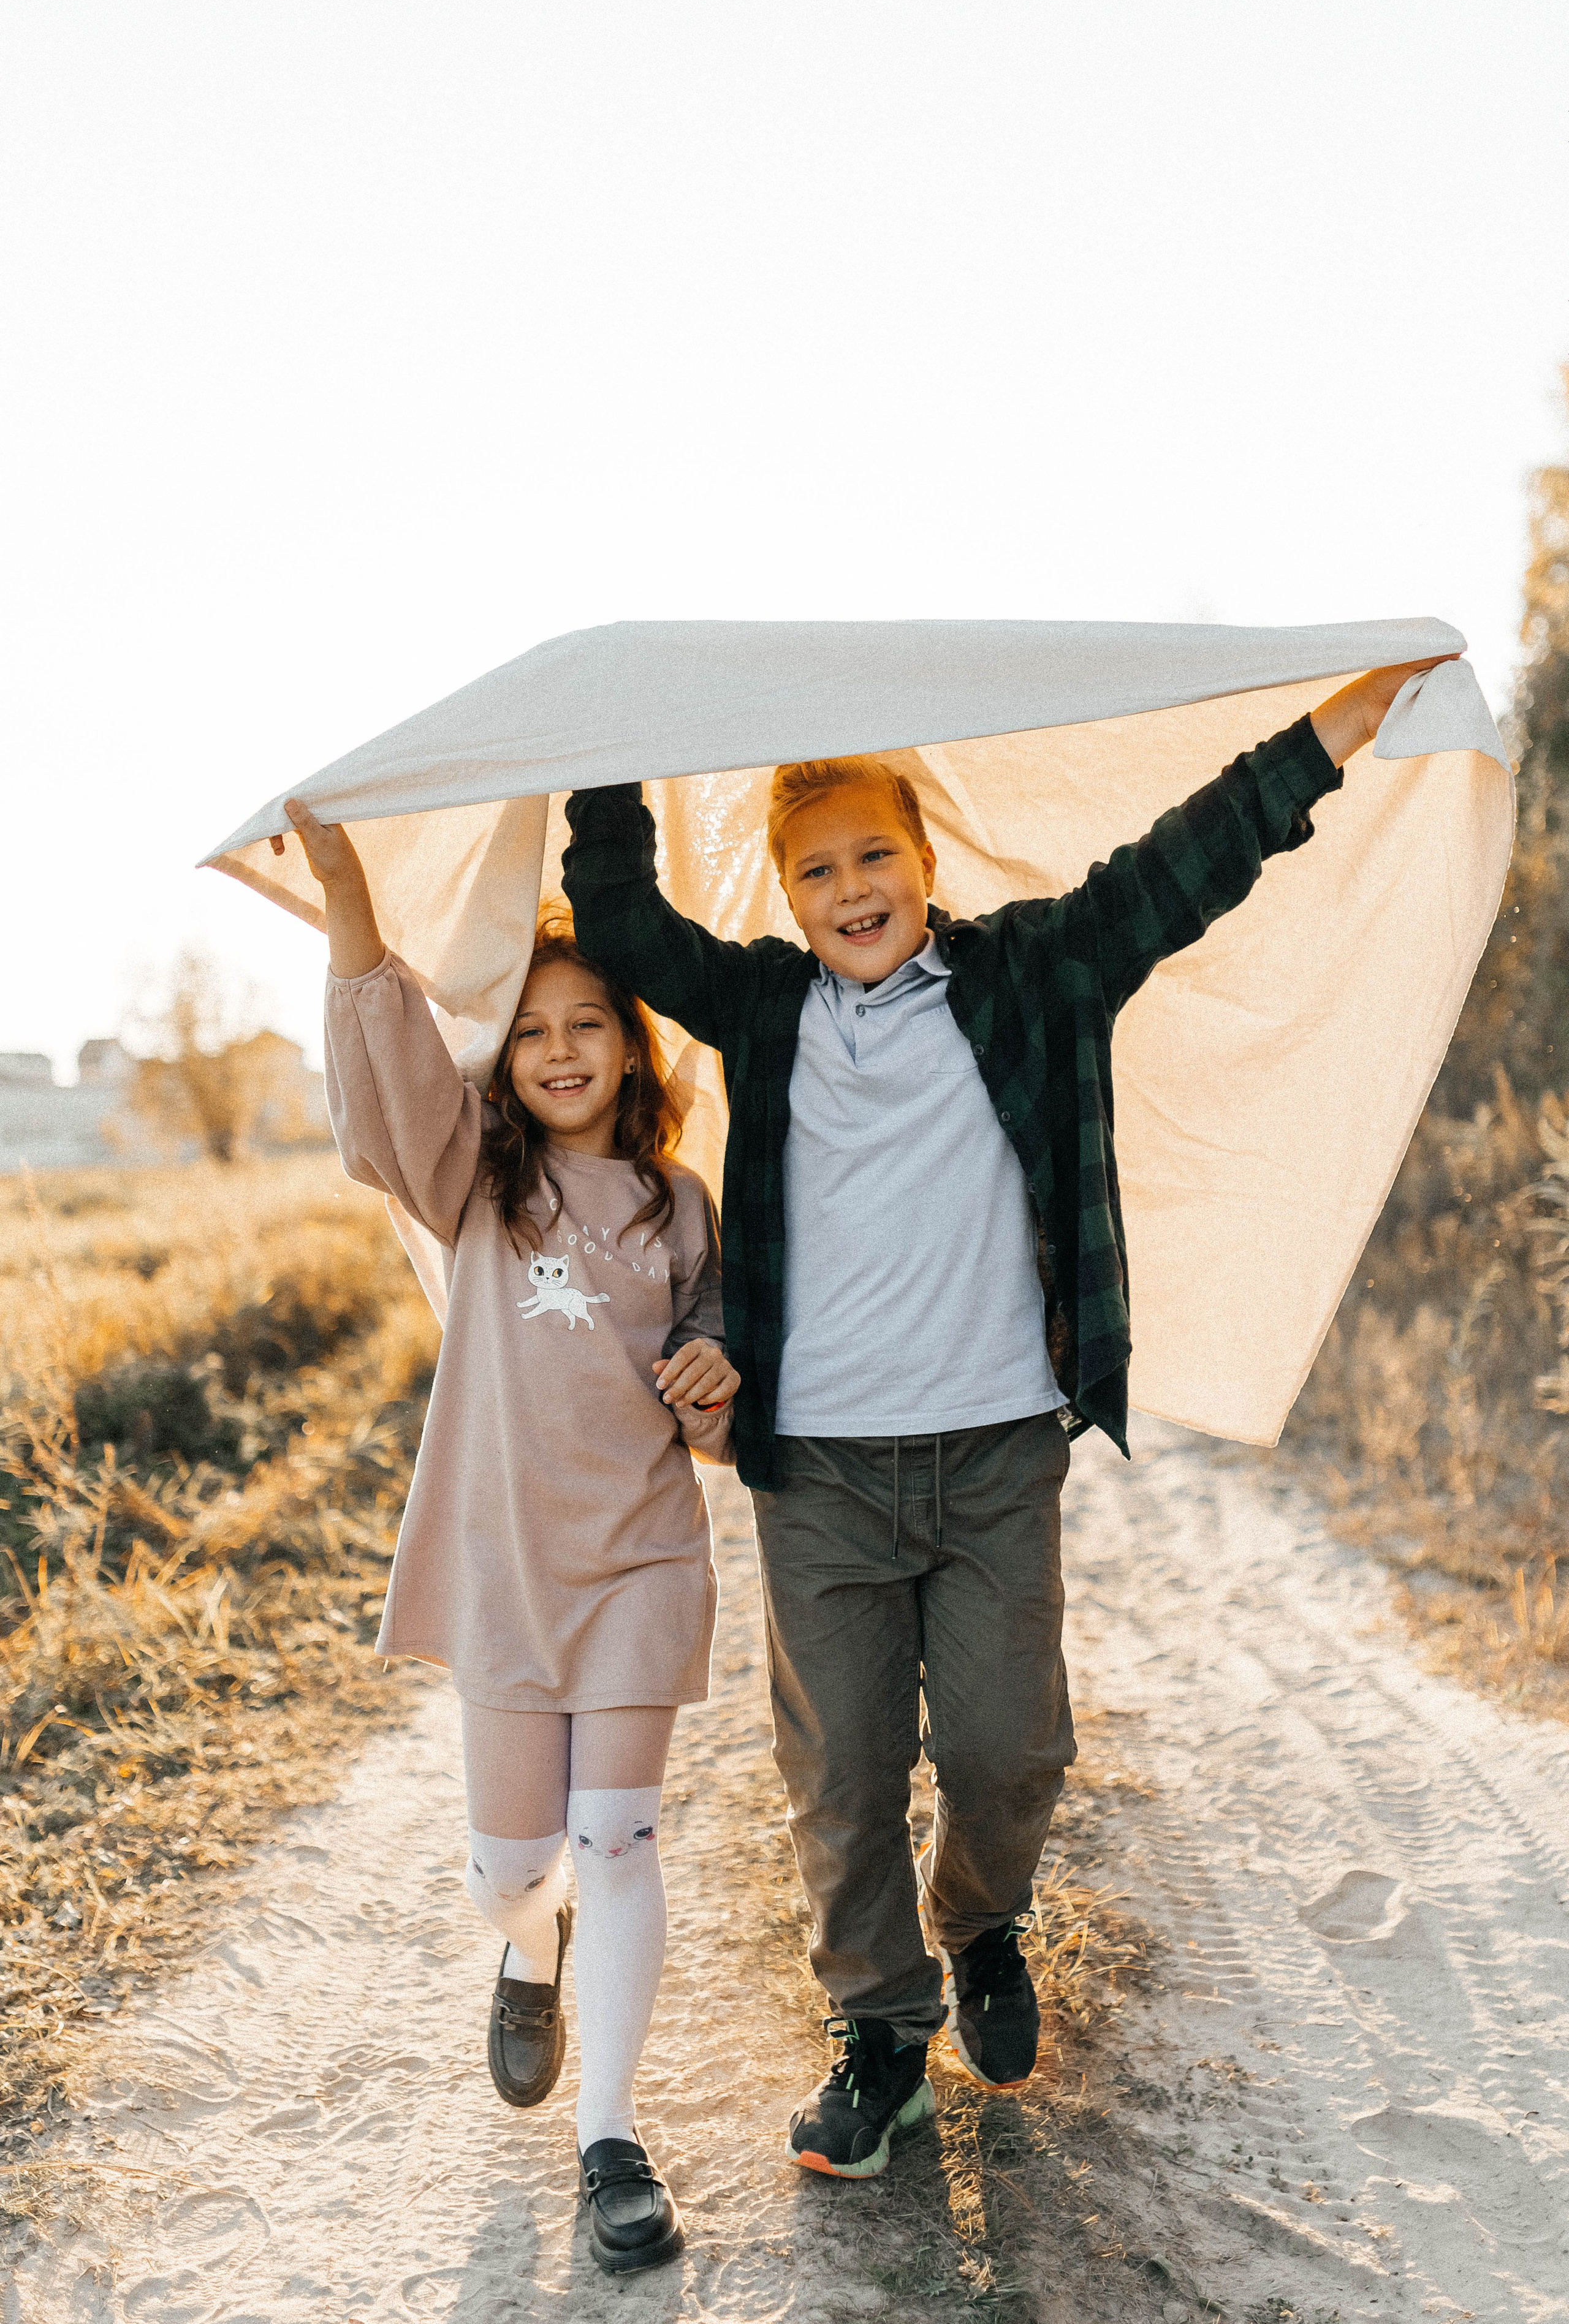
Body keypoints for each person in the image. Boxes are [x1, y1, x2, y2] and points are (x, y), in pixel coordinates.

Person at [560, 658, 1448, 2180]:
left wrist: (1340, 724)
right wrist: (608, 750)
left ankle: (978, 1925)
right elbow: (627, 925)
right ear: (786, 893)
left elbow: (1193, 858)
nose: (850, 890)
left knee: (1004, 1753)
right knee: (838, 1777)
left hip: (991, 1456)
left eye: (873, 858)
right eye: (815, 870)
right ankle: (881, 2036)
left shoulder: (1037, 972)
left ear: (925, 861)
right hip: (819, 1472)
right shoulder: (766, 1010)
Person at [273, 800, 740, 2274]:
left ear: (631, 1046)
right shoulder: (477, 1188)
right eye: (532, 1028)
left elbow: (721, 1393)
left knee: (619, 1834)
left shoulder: (679, 1204)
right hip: (504, 1564)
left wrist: (718, 1384)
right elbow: (390, 1077)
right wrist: (351, 900)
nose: (557, 1048)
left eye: (587, 1022)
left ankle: (609, 2135)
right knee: (509, 1859)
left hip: (638, 1561)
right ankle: (523, 1947)